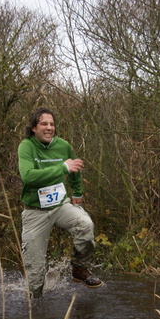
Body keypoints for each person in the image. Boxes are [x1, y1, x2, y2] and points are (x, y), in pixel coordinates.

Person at [18, 107, 101, 298]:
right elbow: (28, 176)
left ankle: (79, 268)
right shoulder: (26, 146)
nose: (49, 128)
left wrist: (77, 191)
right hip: (35, 212)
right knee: (36, 278)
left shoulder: (63, 146)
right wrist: (62, 167)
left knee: (85, 225)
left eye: (52, 124)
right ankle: (35, 307)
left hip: (60, 206)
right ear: (33, 127)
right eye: (44, 124)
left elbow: (75, 167)